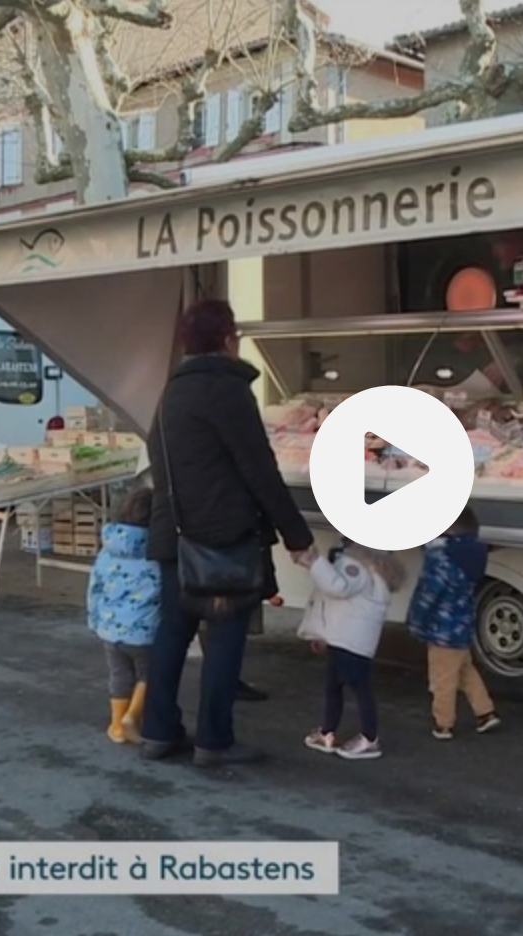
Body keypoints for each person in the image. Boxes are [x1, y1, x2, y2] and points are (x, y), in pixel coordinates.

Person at [141, 299, 317, 767]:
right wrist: (297, 537)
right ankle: (213, 741)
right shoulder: (227, 392)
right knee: (224, 641)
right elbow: (260, 470)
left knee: (171, 636)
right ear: (227, 339)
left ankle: (157, 731)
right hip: (220, 538)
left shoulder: (170, 393)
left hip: (173, 535)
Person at [298, 540, 405, 760]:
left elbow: (337, 588)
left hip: (348, 642)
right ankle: (330, 732)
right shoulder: (375, 572)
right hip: (351, 640)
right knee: (346, 687)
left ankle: (367, 737)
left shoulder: (355, 566)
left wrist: (314, 563)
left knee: (351, 689)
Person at [407, 505, 502, 739]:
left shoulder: (440, 560)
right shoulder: (472, 554)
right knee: (464, 671)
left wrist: (415, 621)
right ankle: (485, 712)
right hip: (462, 625)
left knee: (442, 678)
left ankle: (443, 723)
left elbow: (427, 594)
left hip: (441, 629)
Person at [87, 487, 160, 745]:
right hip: (145, 631)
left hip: (109, 627)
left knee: (119, 675)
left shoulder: (107, 551)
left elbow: (94, 587)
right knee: (150, 674)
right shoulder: (157, 552)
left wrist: (94, 620)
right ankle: (133, 716)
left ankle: (116, 725)